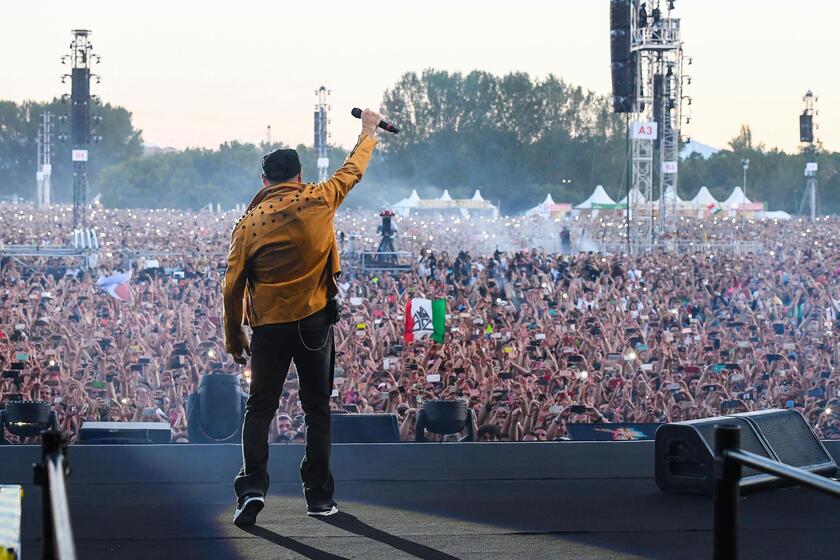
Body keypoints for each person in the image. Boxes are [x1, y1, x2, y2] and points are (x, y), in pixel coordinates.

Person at [224, 108, 381, 526]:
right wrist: (367, 131)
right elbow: (353, 170)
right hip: (314, 323)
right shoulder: (319, 197)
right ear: (298, 175)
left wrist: (233, 335)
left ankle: (252, 488)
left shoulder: (247, 225)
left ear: (265, 182)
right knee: (316, 409)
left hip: (267, 328)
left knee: (259, 409)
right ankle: (318, 497)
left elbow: (231, 286)